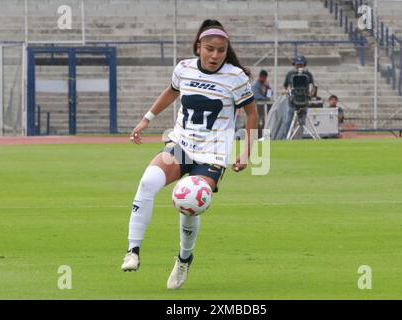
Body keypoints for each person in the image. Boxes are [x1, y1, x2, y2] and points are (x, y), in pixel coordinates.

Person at [121, 19, 258, 290]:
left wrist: (247, 151)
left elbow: (252, 113)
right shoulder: (183, 68)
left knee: (190, 202)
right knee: (148, 181)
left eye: (220, 50)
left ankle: (184, 259)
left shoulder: (235, 77)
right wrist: (146, 119)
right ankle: (133, 251)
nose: (215, 55)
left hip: (212, 155)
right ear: (199, 47)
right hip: (180, 146)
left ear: (226, 50)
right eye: (209, 49)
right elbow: (171, 92)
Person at [283, 55, 315, 139]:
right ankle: (286, 137)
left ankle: (299, 138)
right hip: (292, 101)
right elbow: (285, 86)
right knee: (288, 121)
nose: (299, 67)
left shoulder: (308, 74)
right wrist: (288, 93)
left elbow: (313, 87)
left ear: (304, 65)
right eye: (297, 65)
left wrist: (311, 94)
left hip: (304, 100)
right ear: (294, 65)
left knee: (302, 122)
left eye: (301, 65)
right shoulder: (290, 74)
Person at [252, 70, 273, 138]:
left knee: (265, 121)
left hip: (264, 108)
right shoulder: (255, 85)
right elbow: (257, 96)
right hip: (257, 107)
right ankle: (257, 136)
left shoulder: (265, 85)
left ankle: (264, 136)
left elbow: (269, 95)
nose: (264, 80)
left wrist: (268, 87)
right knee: (258, 122)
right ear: (260, 77)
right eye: (263, 78)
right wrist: (266, 99)